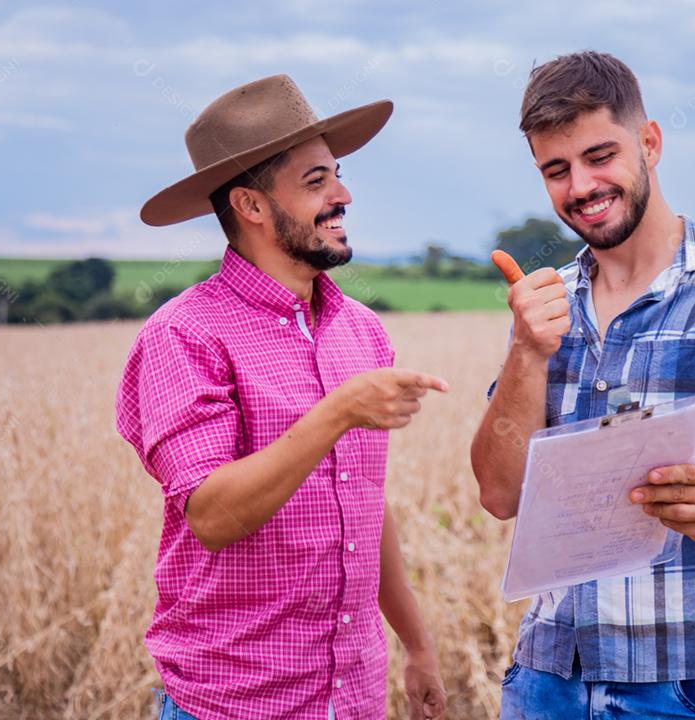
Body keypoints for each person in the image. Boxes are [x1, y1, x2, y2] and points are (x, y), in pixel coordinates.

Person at [472, 51, 695, 719]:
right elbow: (498, 493)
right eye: (557, 170)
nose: (581, 185)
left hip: (691, 691)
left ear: (650, 142)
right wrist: (526, 351)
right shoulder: (549, 305)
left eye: (599, 156)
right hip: (547, 679)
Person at [117, 74, 448, 720]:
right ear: (253, 206)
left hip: (352, 698)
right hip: (234, 705)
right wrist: (337, 412)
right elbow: (210, 516)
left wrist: (417, 644)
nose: (343, 196)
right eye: (316, 181)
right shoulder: (183, 336)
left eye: (338, 176)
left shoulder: (363, 330)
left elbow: (363, 504)